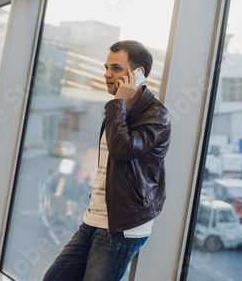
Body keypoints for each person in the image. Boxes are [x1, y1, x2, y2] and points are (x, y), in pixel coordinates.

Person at [43, 40, 171, 281]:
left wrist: (118, 104)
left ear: (137, 73)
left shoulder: (156, 116)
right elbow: (109, 166)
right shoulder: (118, 110)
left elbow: (122, 150)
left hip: (124, 224)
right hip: (96, 217)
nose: (107, 75)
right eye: (106, 67)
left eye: (115, 68)